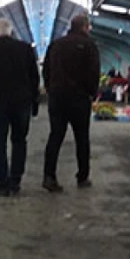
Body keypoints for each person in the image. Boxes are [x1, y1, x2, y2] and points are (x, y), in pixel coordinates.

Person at [0, 19, 40, 197]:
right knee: (19, 142)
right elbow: (34, 79)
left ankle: (2, 184)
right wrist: (33, 103)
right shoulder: (25, 50)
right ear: (11, 32)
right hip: (21, 104)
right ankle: (15, 180)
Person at [42, 14, 101, 192]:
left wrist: (51, 89)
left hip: (57, 98)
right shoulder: (90, 45)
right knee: (82, 139)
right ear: (85, 27)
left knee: (55, 137)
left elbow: (46, 71)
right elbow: (93, 73)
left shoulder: (56, 45)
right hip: (80, 99)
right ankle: (82, 177)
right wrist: (91, 93)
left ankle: (49, 176)